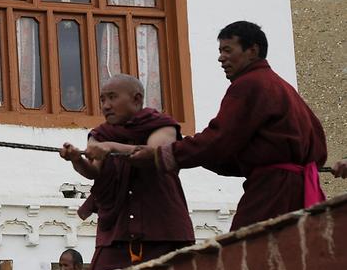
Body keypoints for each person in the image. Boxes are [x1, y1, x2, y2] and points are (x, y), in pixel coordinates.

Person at [131, 21, 327, 230]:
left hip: (272, 191)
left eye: (227, 50)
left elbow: (219, 139)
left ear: (252, 50)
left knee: (244, 252)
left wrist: (163, 155)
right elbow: (225, 150)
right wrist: (197, 154)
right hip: (295, 190)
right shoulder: (281, 86)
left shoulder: (250, 84)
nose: (221, 57)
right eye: (220, 51)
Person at [59, 74, 194, 270]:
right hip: (116, 233)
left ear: (136, 99)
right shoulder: (101, 134)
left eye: (112, 97)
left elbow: (154, 153)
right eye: (103, 100)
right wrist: (76, 159)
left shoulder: (162, 125)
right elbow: (94, 171)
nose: (106, 106)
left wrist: (113, 147)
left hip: (161, 229)